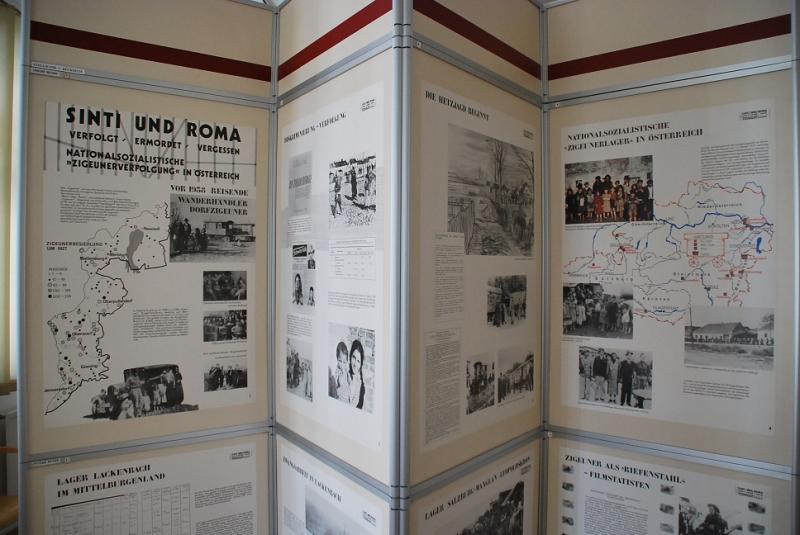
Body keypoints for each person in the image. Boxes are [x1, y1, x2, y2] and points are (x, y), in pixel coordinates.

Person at [348, 339, 367, 409]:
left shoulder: (361, 388)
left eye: (358, 361)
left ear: (360, 365)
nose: (355, 364)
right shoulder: (342, 375)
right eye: (354, 357)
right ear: (350, 357)